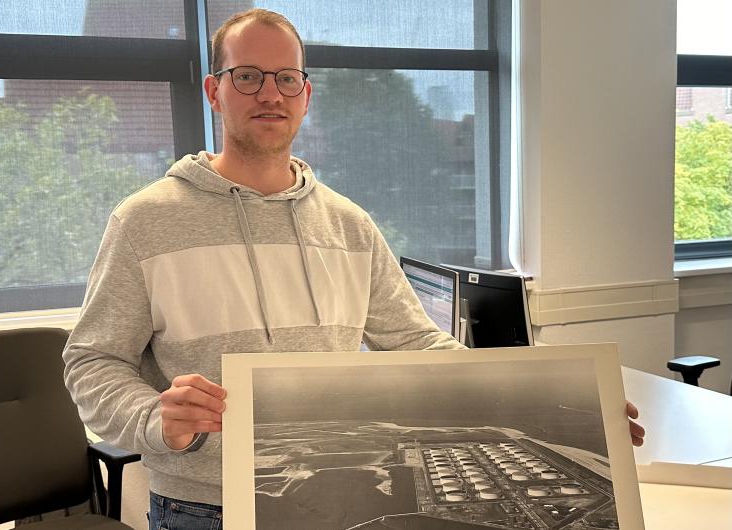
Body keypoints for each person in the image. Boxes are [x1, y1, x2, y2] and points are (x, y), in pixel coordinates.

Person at [63, 8, 644, 529]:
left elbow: (416, 343)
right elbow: (92, 360)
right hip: (201, 505)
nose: (270, 93)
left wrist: (577, 398)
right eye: (248, 76)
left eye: (287, 77)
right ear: (216, 91)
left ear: (306, 95)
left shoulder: (348, 224)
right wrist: (151, 415)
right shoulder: (145, 221)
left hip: (335, 508)